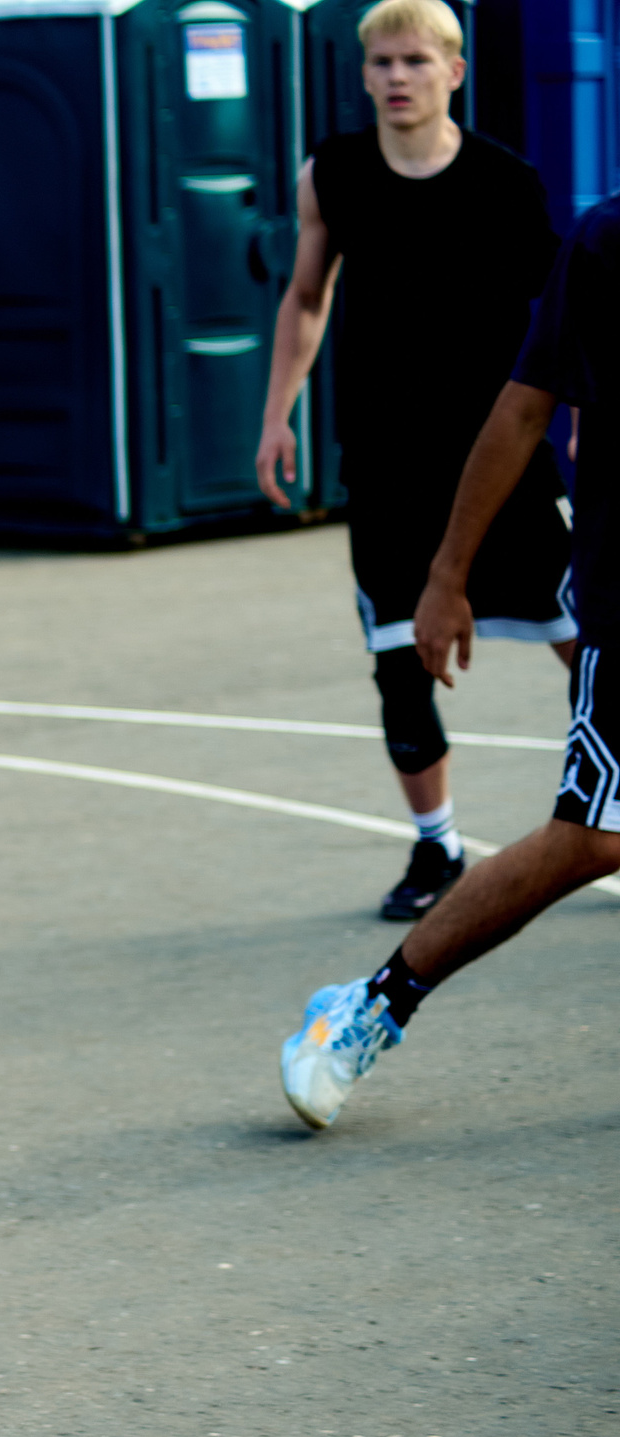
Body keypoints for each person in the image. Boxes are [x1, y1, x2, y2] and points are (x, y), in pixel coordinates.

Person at [280, 187, 618, 1131]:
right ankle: (368, 1006)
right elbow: (523, 414)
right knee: (595, 834)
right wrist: (448, 573)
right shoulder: (607, 238)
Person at [254, 0, 574, 921]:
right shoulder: (335, 174)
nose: (398, 77)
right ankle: (436, 849)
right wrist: (278, 414)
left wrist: (585, 415)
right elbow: (307, 297)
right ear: (363, 75)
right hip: (387, 465)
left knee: (586, 646)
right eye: (383, 63)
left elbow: (557, 318)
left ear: (454, 72)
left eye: (416, 62)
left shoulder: (507, 184)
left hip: (499, 462)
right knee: (399, 663)